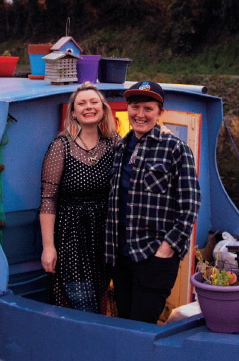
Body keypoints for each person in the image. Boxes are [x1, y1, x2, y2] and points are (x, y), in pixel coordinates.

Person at [105, 81, 201, 323]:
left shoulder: (176, 149)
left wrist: (167, 248)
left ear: (160, 112)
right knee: (124, 320)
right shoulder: (120, 148)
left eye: (148, 108)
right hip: (122, 255)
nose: (140, 114)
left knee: (142, 324)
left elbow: (190, 205)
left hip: (155, 258)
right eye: (135, 107)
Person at [39, 82, 118, 313]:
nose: (88, 107)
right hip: (71, 237)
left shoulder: (114, 143)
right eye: (81, 103)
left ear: (103, 109)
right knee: (82, 304)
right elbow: (48, 199)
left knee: (101, 297)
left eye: (94, 102)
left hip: (103, 238)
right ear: (73, 112)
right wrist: (48, 248)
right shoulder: (60, 146)